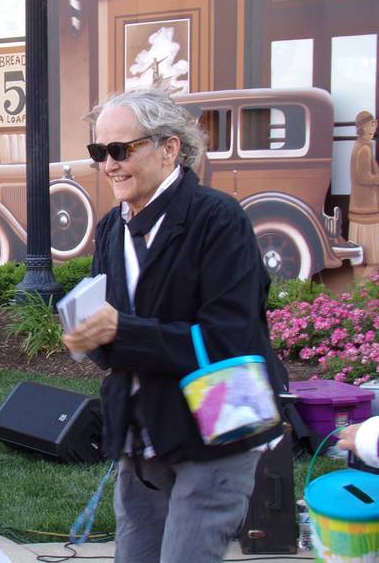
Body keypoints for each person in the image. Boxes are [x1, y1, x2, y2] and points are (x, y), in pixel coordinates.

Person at [62, 89, 286, 563]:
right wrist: (91, 339)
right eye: (99, 152)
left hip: (217, 432)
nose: (108, 165)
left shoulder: (218, 219)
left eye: (121, 150)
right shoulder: (110, 228)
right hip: (142, 435)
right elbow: (115, 332)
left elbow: (230, 342)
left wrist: (120, 331)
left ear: (169, 148)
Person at [348, 110, 379, 281]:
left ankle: (355, 297)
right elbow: (364, 177)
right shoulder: (364, 149)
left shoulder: (359, 146)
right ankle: (362, 293)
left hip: (359, 210)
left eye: (374, 124)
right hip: (368, 211)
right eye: (370, 125)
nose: (373, 128)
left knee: (358, 260)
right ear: (363, 128)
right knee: (374, 260)